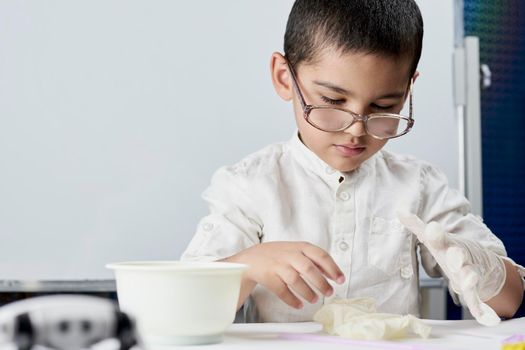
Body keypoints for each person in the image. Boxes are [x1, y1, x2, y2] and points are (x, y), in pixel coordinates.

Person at [181, 0, 525, 323]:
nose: (356, 131)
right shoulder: (250, 185)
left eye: (383, 106)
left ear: (407, 90)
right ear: (285, 77)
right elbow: (186, 309)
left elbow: (509, 302)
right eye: (332, 100)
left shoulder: (419, 186)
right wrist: (245, 265)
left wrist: (478, 264)